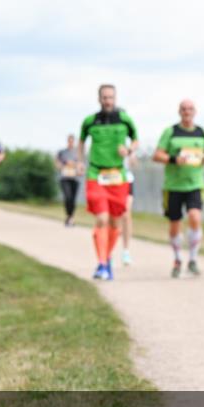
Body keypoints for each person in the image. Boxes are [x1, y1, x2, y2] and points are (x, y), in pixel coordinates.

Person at [79, 84, 138, 280]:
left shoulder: (125, 119)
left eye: (111, 97)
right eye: (104, 97)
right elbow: (81, 142)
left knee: (115, 222)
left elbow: (135, 139)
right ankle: (102, 263)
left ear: (115, 98)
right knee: (102, 218)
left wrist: (129, 150)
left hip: (117, 176)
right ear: (99, 99)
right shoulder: (90, 121)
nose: (108, 101)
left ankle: (106, 257)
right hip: (96, 174)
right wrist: (80, 161)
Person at [152, 99, 204, 278]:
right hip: (173, 186)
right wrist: (173, 159)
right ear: (179, 111)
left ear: (195, 111)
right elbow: (157, 155)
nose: (187, 112)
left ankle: (193, 259)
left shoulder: (202, 132)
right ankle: (177, 259)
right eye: (184, 109)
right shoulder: (170, 132)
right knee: (175, 224)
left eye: (190, 109)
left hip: (195, 184)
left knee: (195, 217)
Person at [57, 134, 83, 227]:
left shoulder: (78, 153)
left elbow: (81, 166)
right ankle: (68, 216)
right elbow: (57, 164)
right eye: (69, 141)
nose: (70, 142)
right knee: (67, 197)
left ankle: (71, 217)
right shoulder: (62, 152)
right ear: (67, 141)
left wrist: (78, 168)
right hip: (65, 178)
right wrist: (64, 165)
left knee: (73, 199)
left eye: (72, 141)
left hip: (75, 178)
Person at [120, 153, 135, 265]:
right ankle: (107, 252)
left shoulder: (129, 144)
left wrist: (130, 155)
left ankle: (126, 251)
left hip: (127, 180)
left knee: (126, 214)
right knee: (111, 217)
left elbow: (134, 162)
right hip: (109, 179)